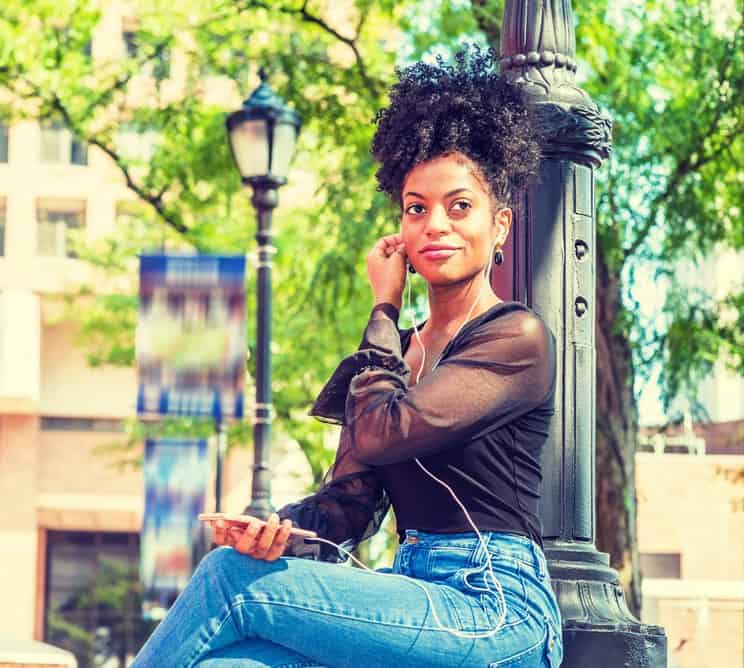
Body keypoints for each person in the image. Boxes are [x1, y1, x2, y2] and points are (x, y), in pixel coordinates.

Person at [132, 47, 563, 668]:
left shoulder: (515, 337)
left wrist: (383, 307)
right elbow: (349, 506)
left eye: (459, 206)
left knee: (227, 580)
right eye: (417, 208)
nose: (435, 224)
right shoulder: (394, 356)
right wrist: (277, 531)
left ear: (500, 226)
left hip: (495, 607)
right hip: (409, 596)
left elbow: (385, 431)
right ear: (400, 228)